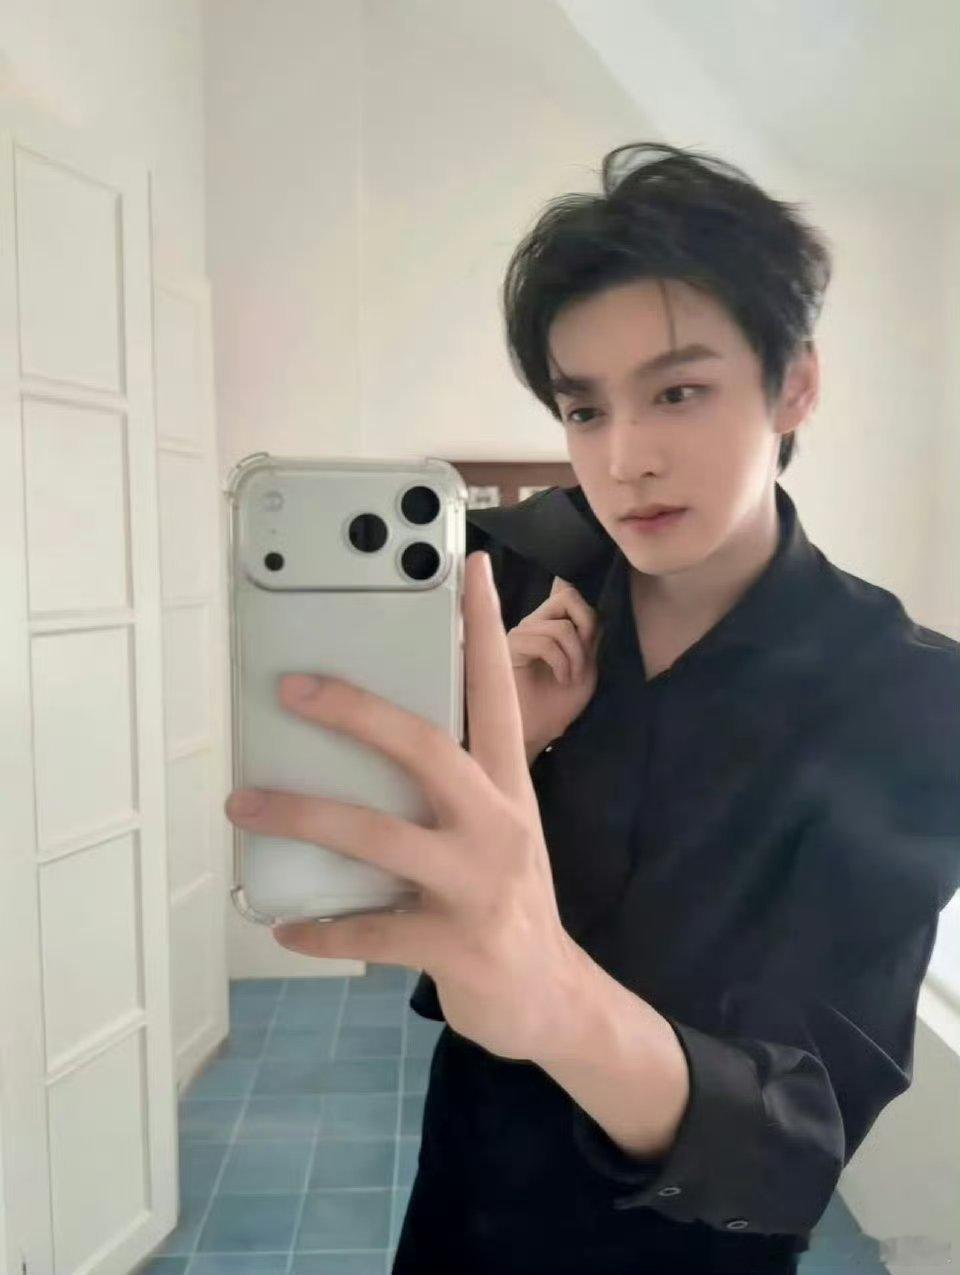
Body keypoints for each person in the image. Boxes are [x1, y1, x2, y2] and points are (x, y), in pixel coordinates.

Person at [391, 142, 960, 1275]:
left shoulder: (910, 700)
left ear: (794, 384)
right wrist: (508, 748)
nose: (624, 459)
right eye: (583, 408)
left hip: (689, 1249)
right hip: (468, 1195)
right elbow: (414, 890)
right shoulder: (514, 576)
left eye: (678, 392)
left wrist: (557, 1004)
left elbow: (799, 1138)